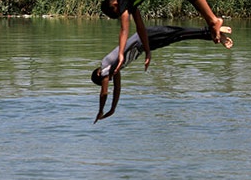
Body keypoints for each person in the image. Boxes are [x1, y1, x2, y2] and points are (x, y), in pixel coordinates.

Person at [92, 25, 233, 124]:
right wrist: (112, 109)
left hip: (146, 36)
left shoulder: (105, 66)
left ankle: (212, 30)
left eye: (105, 80)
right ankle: (212, 33)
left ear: (99, 73)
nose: (108, 80)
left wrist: (101, 111)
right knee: (179, 36)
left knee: (178, 33)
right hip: (147, 43)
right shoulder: (115, 68)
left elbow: (104, 93)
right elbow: (117, 89)